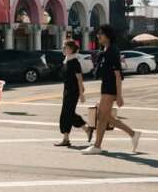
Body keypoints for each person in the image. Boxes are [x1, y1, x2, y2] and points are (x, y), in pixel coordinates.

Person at [83, 25, 140, 155]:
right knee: (103, 117)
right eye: (98, 34)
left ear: (108, 36)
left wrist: (119, 95)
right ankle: (132, 134)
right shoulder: (105, 50)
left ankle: (98, 145)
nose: (98, 36)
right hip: (106, 87)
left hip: (111, 88)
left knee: (102, 117)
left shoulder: (112, 50)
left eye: (101, 34)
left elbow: (118, 74)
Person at [54, 40, 92, 147]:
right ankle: (85, 130)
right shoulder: (66, 60)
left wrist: (81, 94)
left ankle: (68, 137)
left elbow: (79, 79)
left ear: (70, 49)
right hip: (67, 90)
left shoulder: (74, 62)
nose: (63, 49)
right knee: (67, 113)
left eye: (65, 47)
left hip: (73, 91)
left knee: (67, 113)